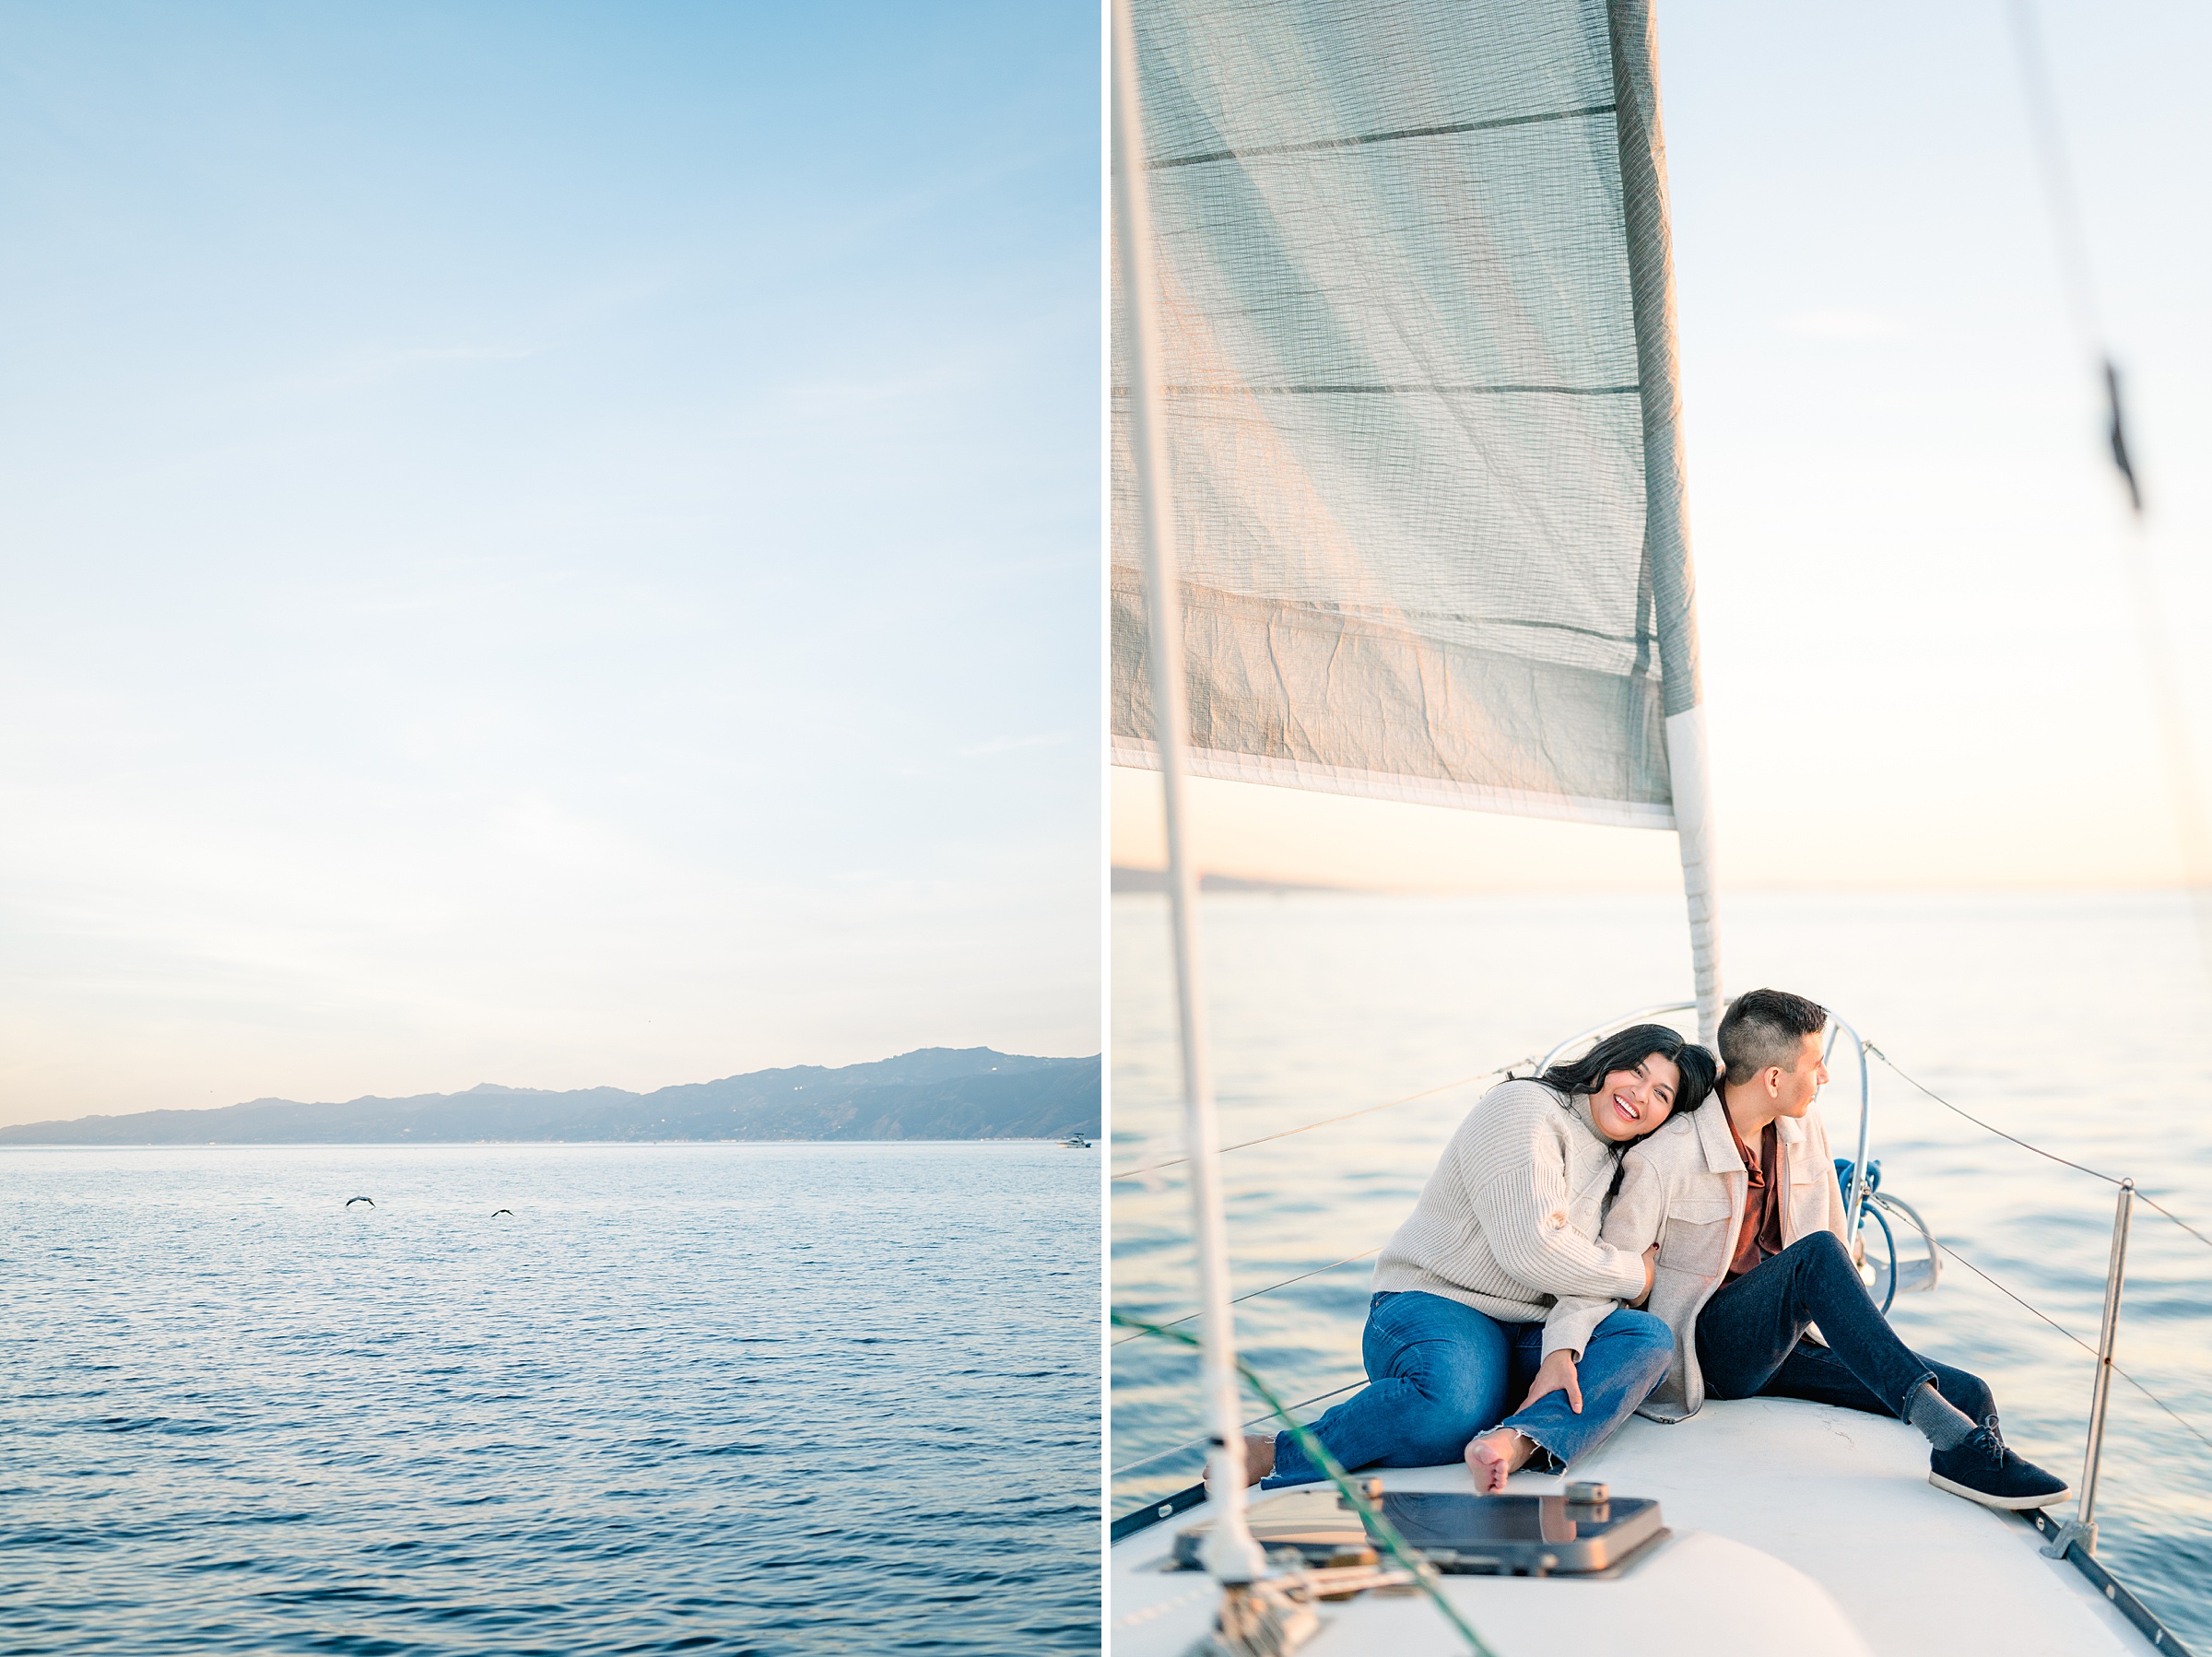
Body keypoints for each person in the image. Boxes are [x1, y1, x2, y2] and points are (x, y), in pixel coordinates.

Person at [1589, 987, 2068, 1510]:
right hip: (1710, 1355)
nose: (1825, 1078)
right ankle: (1953, 1439)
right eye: (1816, 1064)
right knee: (1815, 1257)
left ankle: (1972, 1463)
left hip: (1787, 1343)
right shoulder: (1664, 1157)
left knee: (1969, 1392)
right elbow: (1613, 1278)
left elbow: (1833, 1241)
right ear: (1774, 1078)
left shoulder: (1801, 1126)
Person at [1233, 1025, 1717, 1494]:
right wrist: (1635, 1274)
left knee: (1646, 1338)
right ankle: (1280, 1452)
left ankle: (1519, 1440)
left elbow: (1587, 1284)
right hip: (1437, 1304)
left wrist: (1561, 1352)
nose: (1639, 1094)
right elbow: (1533, 1251)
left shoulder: (1621, 1162)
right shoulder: (1526, 1108)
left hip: (1530, 1329)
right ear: (1605, 1061)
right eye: (1634, 1071)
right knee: (1452, 1406)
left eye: (1661, 1095)